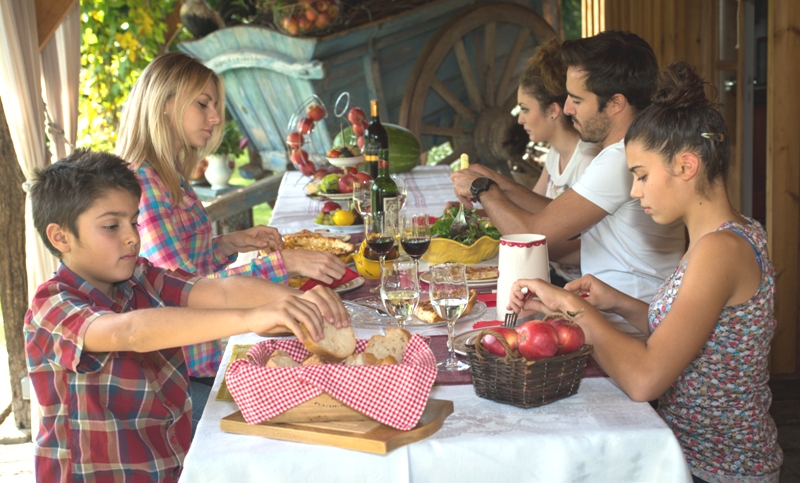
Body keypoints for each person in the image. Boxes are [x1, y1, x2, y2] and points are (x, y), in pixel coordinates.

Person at [508, 62, 783, 483]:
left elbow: (644, 380)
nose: (635, 192)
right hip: (691, 454)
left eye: (641, 176)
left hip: (719, 469)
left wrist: (570, 306)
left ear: (686, 166)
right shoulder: (732, 234)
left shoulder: (720, 251)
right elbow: (692, 332)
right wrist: (615, 301)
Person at [25, 150, 349, 482]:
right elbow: (129, 332)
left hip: (170, 466)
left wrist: (296, 299)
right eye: (112, 225)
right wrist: (252, 318)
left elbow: (221, 291)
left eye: (134, 221)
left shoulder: (138, 275)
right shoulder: (52, 306)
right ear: (60, 237)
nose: (132, 236)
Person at [116, 51, 347, 428]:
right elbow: (186, 288)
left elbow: (185, 257)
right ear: (164, 103)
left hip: (202, 352)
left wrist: (230, 243)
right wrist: (285, 262)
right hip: (186, 372)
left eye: (216, 106)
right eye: (203, 104)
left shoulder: (168, 174)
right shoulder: (145, 185)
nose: (215, 118)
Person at [451, 31, 685, 339]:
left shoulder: (619, 159)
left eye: (576, 100)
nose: (569, 109)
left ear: (615, 103)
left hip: (626, 330)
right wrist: (503, 185)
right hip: (614, 317)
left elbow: (534, 234)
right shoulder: (630, 148)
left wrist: (483, 188)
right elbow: (559, 214)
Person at [511, 37, 599, 283]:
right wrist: (479, 214)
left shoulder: (588, 160)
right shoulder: (554, 155)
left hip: (578, 285)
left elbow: (585, 248)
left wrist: (523, 244)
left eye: (525, 109)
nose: (520, 119)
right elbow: (528, 207)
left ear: (552, 110)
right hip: (553, 274)